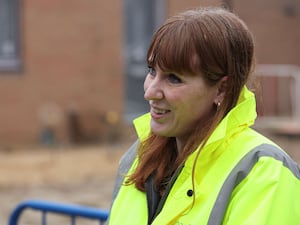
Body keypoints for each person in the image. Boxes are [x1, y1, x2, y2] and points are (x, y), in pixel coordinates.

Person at [107, 7, 300, 225]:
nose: (150, 91)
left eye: (174, 79)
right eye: (152, 71)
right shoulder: (138, 158)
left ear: (222, 89)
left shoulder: (264, 172)